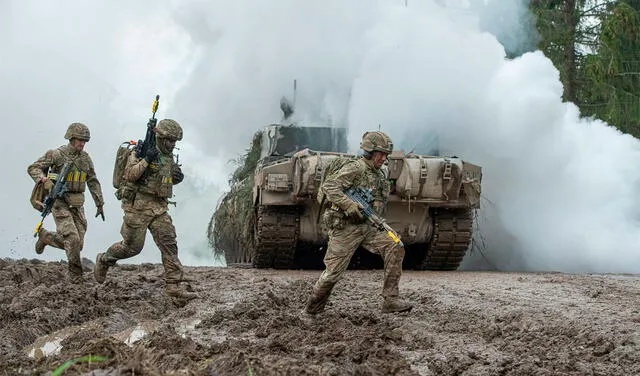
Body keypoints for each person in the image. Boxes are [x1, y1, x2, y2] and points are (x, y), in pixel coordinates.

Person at [305, 131, 413, 314]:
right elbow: (329, 186)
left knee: (396, 244)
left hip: (369, 225)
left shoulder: (380, 174)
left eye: (386, 154)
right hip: (346, 228)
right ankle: (312, 309)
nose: (384, 158)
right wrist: (349, 204)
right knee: (332, 273)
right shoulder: (356, 168)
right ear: (370, 151)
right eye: (381, 154)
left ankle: (390, 300)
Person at [94, 119, 196, 300]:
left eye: (174, 142)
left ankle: (173, 286)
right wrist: (147, 159)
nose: (172, 145)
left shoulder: (168, 155)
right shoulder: (140, 152)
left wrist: (176, 176)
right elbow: (130, 174)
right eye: (169, 141)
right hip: (138, 208)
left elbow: (164, 177)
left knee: (169, 244)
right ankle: (105, 259)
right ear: (160, 137)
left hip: (159, 208)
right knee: (132, 248)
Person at [27, 122, 105, 283]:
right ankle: (76, 276)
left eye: (85, 141)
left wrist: (99, 203)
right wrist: (44, 179)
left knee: (77, 244)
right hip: (59, 202)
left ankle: (47, 237)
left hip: (77, 204)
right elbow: (33, 167)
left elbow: (92, 180)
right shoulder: (56, 154)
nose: (82, 144)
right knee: (73, 239)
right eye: (79, 140)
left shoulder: (85, 159)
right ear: (71, 138)